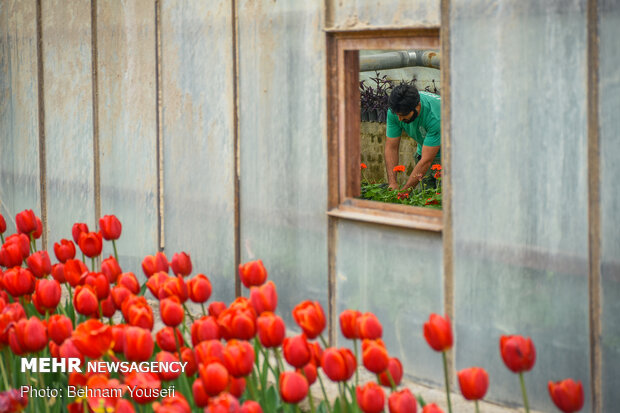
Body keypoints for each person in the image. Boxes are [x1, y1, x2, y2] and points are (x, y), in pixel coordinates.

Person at [384, 83, 441, 192]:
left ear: (417, 107)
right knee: (427, 197)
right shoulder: (396, 111)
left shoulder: (436, 115)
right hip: (424, 151)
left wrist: (405, 192)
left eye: (403, 115)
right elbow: (391, 147)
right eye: (397, 114)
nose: (399, 119)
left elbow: (426, 160)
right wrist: (392, 183)